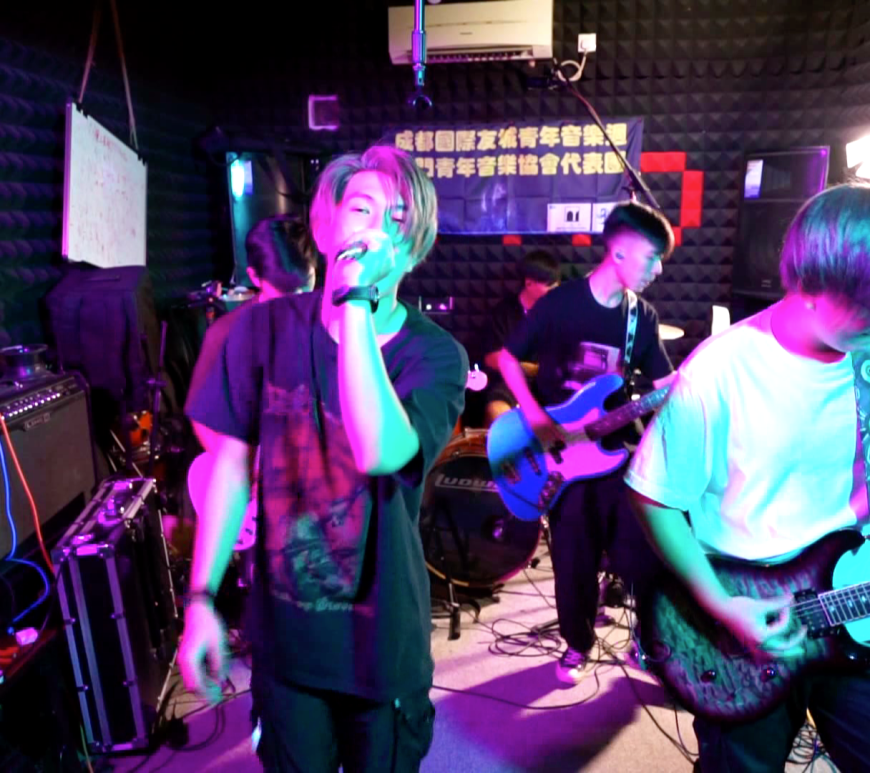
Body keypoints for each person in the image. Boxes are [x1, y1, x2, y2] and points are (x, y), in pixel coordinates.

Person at [180, 144, 468, 773]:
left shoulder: (436, 355)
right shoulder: (260, 329)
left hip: (381, 644)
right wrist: (201, 599)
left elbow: (379, 451)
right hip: (285, 641)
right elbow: (229, 466)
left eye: (397, 219)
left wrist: (356, 302)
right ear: (326, 225)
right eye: (361, 208)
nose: (376, 229)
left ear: (414, 248)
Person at [625, 182, 870, 773]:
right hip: (746, 620)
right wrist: (721, 604)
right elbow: (653, 497)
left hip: (854, 602)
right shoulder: (719, 370)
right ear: (811, 285)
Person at [497, 200, 676, 684]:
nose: (658, 270)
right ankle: (576, 644)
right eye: (652, 257)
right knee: (573, 557)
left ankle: (648, 643)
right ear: (618, 253)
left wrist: (695, 385)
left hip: (617, 451)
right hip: (561, 454)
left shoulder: (642, 317)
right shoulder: (560, 305)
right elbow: (508, 359)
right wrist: (536, 416)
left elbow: (665, 385)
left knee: (644, 554)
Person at [186, 214, 318, 408]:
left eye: (305, 285)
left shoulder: (330, 316)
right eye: (285, 290)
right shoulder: (225, 334)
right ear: (254, 277)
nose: (299, 299)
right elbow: (204, 416)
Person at [482, 249, 560, 426]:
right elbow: (492, 358)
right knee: (496, 409)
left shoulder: (559, 312)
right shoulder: (504, 312)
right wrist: (527, 368)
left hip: (550, 382)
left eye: (556, 284)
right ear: (529, 283)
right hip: (512, 381)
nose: (554, 289)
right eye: (548, 284)